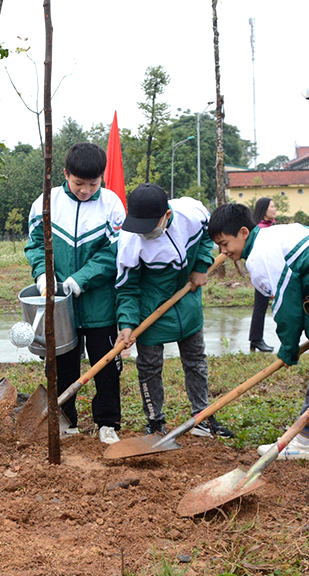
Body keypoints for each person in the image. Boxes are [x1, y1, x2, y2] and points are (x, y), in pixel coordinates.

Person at [209, 203, 309, 460]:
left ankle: (304, 441)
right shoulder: (271, 237)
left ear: (243, 232)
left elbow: (286, 306)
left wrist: (288, 346)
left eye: (225, 243)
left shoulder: (261, 255)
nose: (224, 251)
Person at [24, 142, 126, 444]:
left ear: (102, 178)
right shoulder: (46, 202)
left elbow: (115, 252)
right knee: (62, 365)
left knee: (105, 366)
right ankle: (65, 420)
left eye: (93, 184)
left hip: (99, 304)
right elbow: (35, 246)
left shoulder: (111, 204)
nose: (85, 190)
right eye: (78, 183)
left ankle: (108, 423)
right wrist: (44, 276)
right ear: (65, 174)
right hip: (59, 306)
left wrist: (80, 280)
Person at [115, 183, 231, 438]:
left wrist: (201, 265)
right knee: (149, 366)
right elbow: (127, 288)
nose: (144, 233)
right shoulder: (129, 239)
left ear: (167, 215)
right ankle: (155, 422)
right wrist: (126, 323)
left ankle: (202, 417)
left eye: (150, 227)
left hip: (186, 299)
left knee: (196, 361)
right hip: (150, 309)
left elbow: (206, 237)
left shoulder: (192, 214)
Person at [248, 197, 276, 353]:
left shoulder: (270, 226)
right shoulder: (260, 229)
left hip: (273, 273)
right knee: (260, 306)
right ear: (264, 210)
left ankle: (256, 340)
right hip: (263, 274)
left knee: (262, 306)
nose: (274, 209)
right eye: (272, 207)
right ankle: (256, 340)